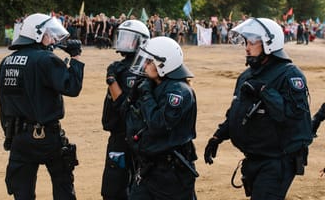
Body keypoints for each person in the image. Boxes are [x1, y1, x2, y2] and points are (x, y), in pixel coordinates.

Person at [204, 17, 313, 200]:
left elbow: (291, 117)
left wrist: (264, 91)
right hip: (254, 158)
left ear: (269, 44)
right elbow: (237, 111)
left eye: (252, 42)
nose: (247, 47)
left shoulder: (290, 75)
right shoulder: (247, 76)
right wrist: (218, 136)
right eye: (246, 42)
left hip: (278, 160)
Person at [0, 13, 84, 200]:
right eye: (48, 34)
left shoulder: (7, 62)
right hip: (46, 136)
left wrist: (9, 134)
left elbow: (3, 103)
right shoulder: (46, 59)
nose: (52, 38)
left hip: (18, 138)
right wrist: (75, 58)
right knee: (62, 183)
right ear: (37, 34)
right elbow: (72, 87)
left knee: (22, 192)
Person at [123, 36, 198, 199]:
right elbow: (126, 113)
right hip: (148, 168)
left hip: (171, 175)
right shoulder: (152, 85)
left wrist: (146, 95)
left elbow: (158, 124)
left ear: (163, 64)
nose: (144, 65)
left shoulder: (178, 92)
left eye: (149, 61)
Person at [101, 19, 150, 200]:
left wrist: (113, 81)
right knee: (112, 187)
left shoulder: (139, 70)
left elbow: (124, 106)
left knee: (131, 186)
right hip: (118, 135)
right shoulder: (119, 67)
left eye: (130, 38)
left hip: (132, 136)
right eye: (122, 37)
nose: (124, 42)